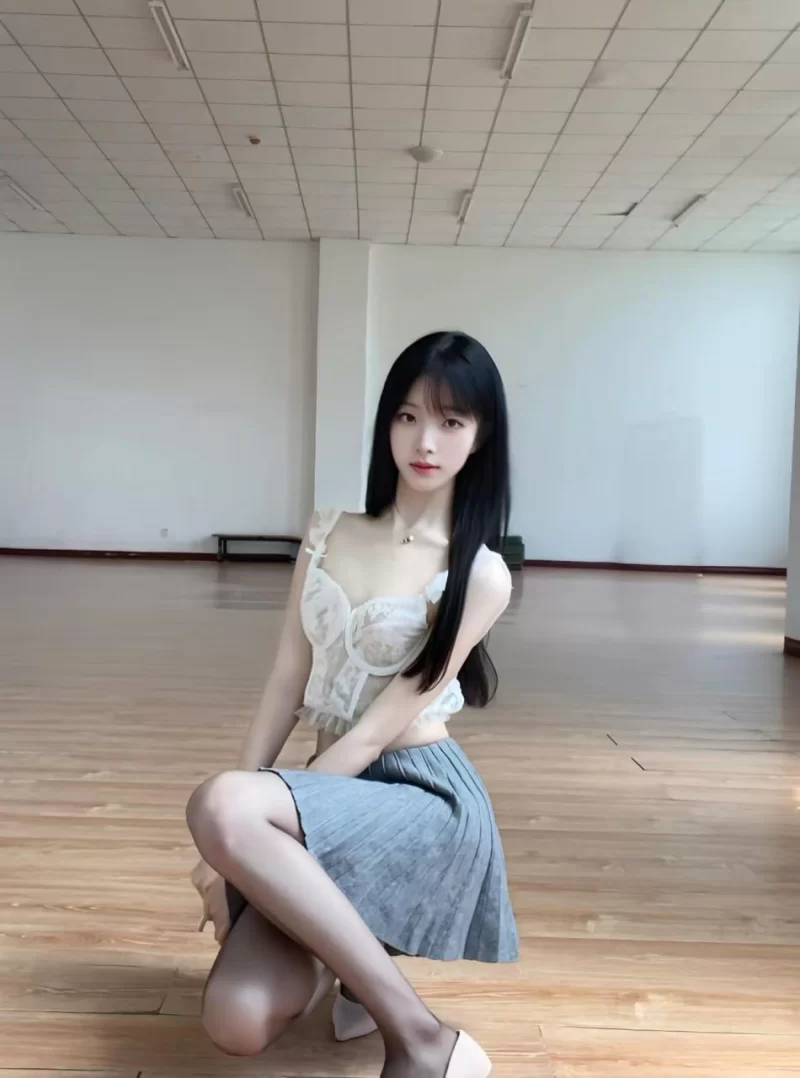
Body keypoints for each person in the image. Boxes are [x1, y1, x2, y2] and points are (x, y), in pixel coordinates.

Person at [186, 331, 519, 1078]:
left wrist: (241, 826)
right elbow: (287, 677)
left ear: (481, 435)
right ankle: (357, 971)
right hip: (327, 787)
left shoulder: (481, 574)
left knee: (222, 805)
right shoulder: (327, 533)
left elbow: (372, 734)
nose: (425, 441)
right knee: (235, 1021)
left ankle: (423, 1041)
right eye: (408, 416)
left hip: (418, 798)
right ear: (386, 422)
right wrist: (228, 843)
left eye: (451, 421)